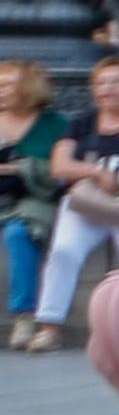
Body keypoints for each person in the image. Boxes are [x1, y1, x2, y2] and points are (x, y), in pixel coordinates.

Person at [33, 53, 119, 342]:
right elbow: (60, 166)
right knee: (64, 251)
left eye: (116, 82)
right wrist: (98, 172)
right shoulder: (82, 122)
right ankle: (49, 325)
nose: (106, 88)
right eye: (100, 83)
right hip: (90, 202)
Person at [0, 57, 51, 338]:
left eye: (7, 85)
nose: (0, 91)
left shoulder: (53, 124)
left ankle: (23, 315)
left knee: (18, 233)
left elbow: (57, 172)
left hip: (35, 199)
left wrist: (17, 167)